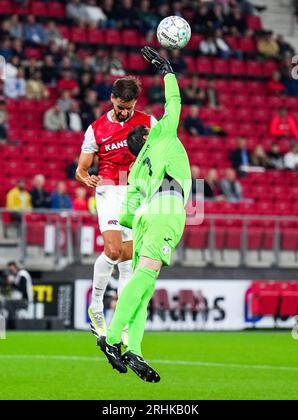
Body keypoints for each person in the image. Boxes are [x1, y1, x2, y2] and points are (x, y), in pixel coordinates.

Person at [99, 47, 191, 382]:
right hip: (168, 207)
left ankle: (134, 347)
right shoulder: (163, 134)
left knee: (143, 285)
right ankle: (111, 339)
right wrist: (167, 71)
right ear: (148, 135)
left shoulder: (136, 169)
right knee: (146, 281)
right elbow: (175, 105)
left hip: (144, 218)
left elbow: (125, 217)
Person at [75, 75, 157, 343]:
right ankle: (96, 307)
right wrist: (87, 178)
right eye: (120, 106)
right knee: (112, 250)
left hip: (137, 192)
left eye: (129, 107)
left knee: (129, 264)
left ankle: (120, 322)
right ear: (112, 99)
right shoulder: (96, 128)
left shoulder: (148, 123)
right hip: (109, 189)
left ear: (136, 103)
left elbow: (161, 153)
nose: (124, 111)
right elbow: (81, 170)